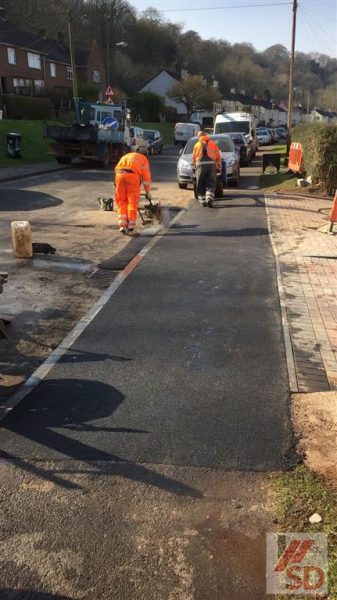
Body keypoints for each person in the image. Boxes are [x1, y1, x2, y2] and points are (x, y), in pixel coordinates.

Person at [114, 151, 152, 234]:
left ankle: (122, 225)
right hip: (132, 176)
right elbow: (146, 176)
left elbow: (116, 168)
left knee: (121, 201)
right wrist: (147, 191)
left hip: (119, 175)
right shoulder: (144, 159)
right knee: (132, 201)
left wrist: (117, 184)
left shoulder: (127, 156)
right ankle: (131, 226)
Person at [192, 131, 221, 207]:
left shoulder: (197, 145)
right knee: (211, 181)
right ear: (206, 136)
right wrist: (218, 166)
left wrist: (194, 166)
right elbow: (218, 156)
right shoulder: (213, 143)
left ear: (199, 137)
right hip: (211, 166)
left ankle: (202, 200)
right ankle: (209, 198)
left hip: (200, 166)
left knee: (200, 182)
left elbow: (194, 158)